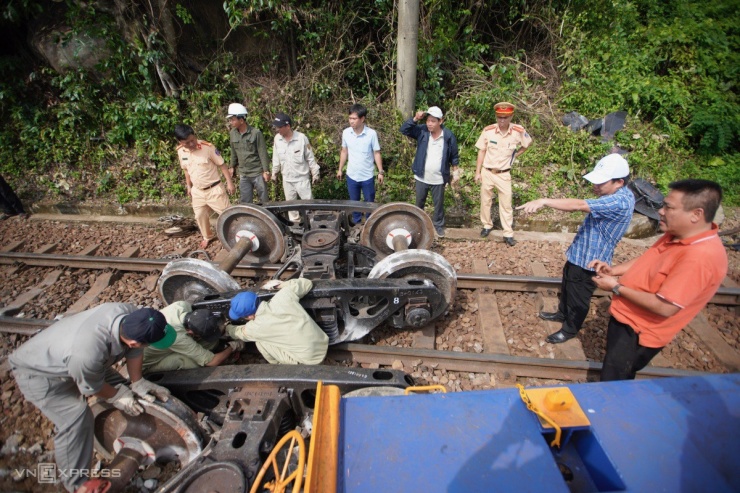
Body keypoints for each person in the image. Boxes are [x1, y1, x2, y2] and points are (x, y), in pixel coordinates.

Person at [8, 305, 175, 492]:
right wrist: (117, 396)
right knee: (76, 417)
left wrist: (137, 382)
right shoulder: (86, 354)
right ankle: (78, 484)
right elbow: (91, 387)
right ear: (134, 341)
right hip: (39, 373)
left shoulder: (131, 314)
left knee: (127, 391)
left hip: (79, 361)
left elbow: (134, 351)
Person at [589, 179, 727, 381]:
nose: (661, 211)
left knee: (615, 378)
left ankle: (609, 409)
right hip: (628, 318)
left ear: (696, 214)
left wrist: (616, 287)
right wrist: (615, 270)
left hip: (639, 331)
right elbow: (651, 258)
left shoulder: (700, 257)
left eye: (669, 207)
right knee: (613, 369)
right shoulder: (678, 234)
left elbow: (665, 307)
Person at [517, 154, 635, 343]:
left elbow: (579, 205)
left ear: (619, 182)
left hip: (590, 260)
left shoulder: (619, 201)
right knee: (567, 286)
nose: (595, 186)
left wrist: (544, 201)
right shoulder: (613, 194)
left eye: (601, 183)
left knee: (578, 298)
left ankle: (570, 329)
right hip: (580, 253)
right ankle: (562, 313)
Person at [226, 278, 329, 365]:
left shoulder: (255, 328)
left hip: (310, 361)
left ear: (249, 316)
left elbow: (237, 333)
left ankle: (280, 366)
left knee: (260, 343)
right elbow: (307, 283)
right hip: (323, 343)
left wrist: (226, 327)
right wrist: (278, 285)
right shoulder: (283, 296)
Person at [474, 102, 533, 246]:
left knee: (506, 204)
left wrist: (515, 155)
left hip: (504, 174)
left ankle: (507, 233)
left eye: (505, 118)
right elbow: (481, 150)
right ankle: (487, 225)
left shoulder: (518, 131)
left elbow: (527, 144)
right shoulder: (488, 131)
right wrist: (477, 172)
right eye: (499, 117)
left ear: (511, 116)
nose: (502, 121)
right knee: (485, 201)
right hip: (487, 171)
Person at [399, 106, 460, 237]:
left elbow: (454, 155)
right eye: (428, 120)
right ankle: (416, 225)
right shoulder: (422, 131)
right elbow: (404, 129)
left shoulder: (448, 136)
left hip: (438, 178)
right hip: (421, 176)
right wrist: (415, 119)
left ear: (440, 121)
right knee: (419, 203)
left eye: (433, 121)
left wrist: (456, 172)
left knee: (438, 205)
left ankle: (438, 226)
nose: (429, 124)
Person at [174, 124, 235, 249]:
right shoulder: (180, 151)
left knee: (228, 215)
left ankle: (235, 236)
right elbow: (186, 170)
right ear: (180, 142)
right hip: (197, 192)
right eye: (187, 142)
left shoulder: (208, 147)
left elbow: (222, 165)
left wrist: (229, 183)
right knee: (200, 215)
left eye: (193, 140)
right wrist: (188, 186)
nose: (191, 144)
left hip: (214, 189)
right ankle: (207, 236)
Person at [142, 302, 244, 373]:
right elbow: (212, 362)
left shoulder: (182, 306)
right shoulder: (178, 337)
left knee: (212, 342)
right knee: (192, 364)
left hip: (170, 345)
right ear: (190, 331)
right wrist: (232, 347)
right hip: (148, 363)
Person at [336, 104, 384, 224]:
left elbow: (376, 153)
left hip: (367, 175)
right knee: (354, 202)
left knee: (369, 202)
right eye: (350, 118)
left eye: (354, 119)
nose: (351, 121)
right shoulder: (346, 133)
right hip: (352, 174)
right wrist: (340, 169)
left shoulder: (371, 134)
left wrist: (380, 171)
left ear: (362, 119)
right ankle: (356, 223)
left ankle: (369, 223)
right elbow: (344, 151)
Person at [270, 112, 320, 223]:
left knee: (309, 206)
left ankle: (312, 226)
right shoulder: (277, 139)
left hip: (302, 179)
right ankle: (295, 229)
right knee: (291, 208)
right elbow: (276, 158)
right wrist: (274, 173)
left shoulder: (301, 138)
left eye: (279, 127)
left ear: (288, 126)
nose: (278, 129)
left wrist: (315, 173)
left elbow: (310, 158)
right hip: (287, 179)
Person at [227, 102, 271, 204]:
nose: (231, 122)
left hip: (257, 172)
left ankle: (265, 218)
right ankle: (249, 219)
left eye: (233, 119)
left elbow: (262, 152)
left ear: (241, 120)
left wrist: (266, 171)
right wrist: (232, 166)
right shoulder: (233, 134)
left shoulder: (256, 133)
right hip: (244, 174)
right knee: (245, 201)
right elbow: (233, 151)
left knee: (264, 200)